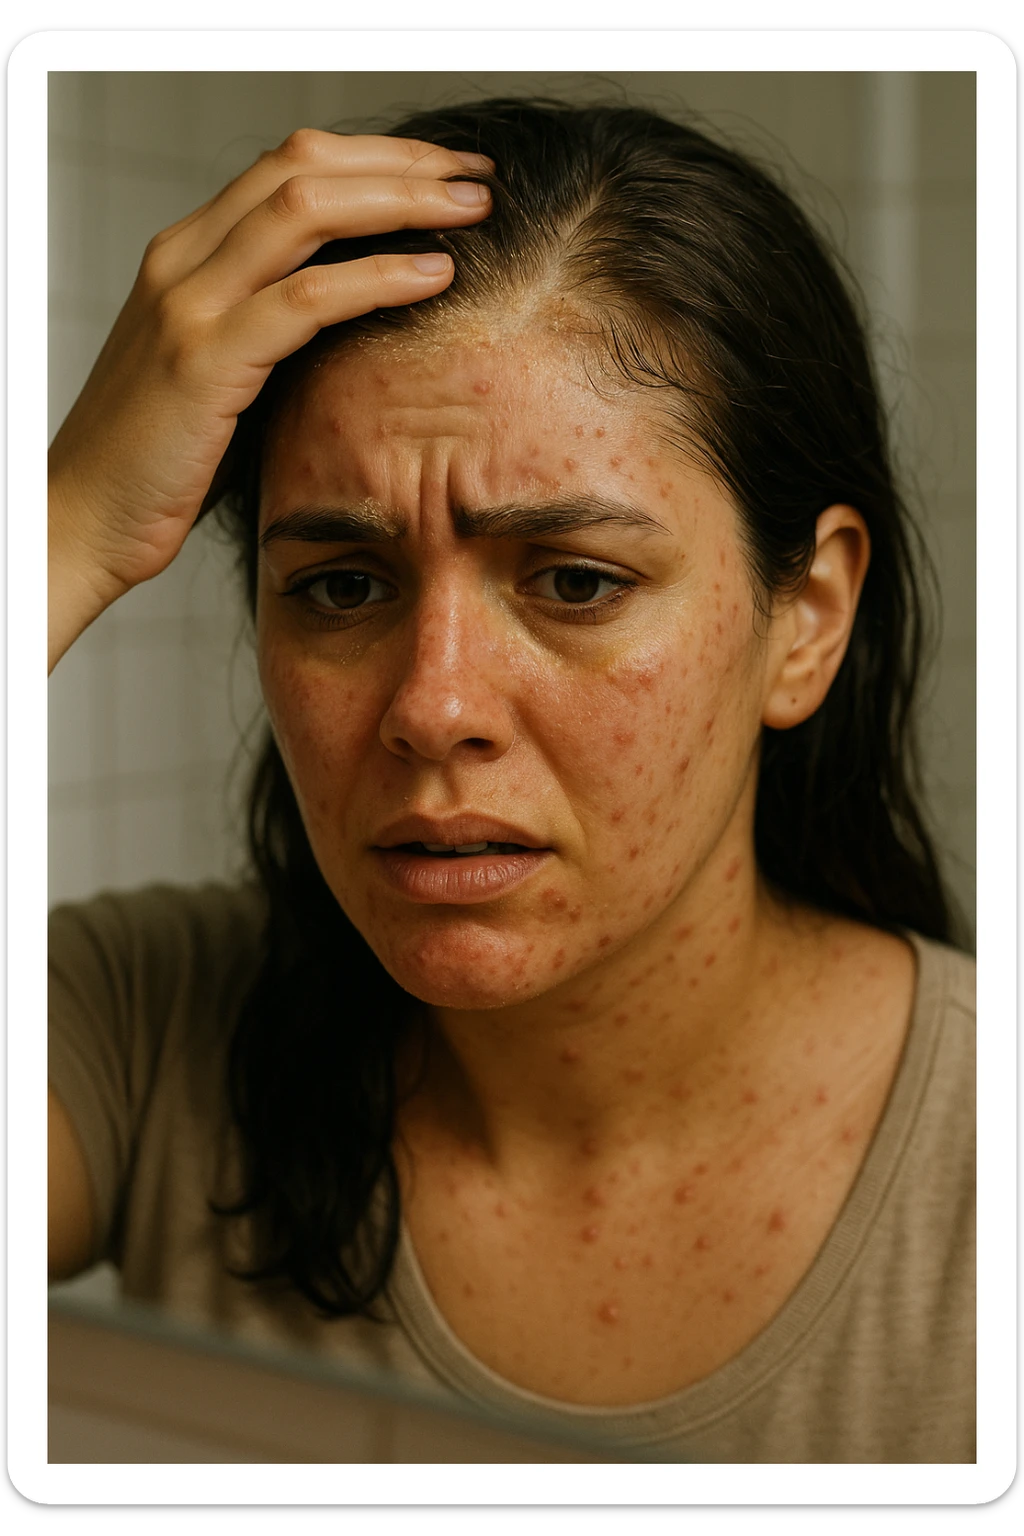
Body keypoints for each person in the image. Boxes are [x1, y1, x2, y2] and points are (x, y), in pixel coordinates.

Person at [47, 98, 975, 1462]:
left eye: (577, 582)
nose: (433, 707)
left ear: (809, 617)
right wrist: (61, 528)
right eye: (342, 586)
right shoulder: (139, 1037)